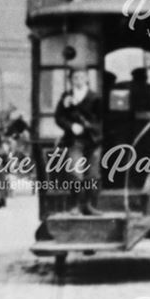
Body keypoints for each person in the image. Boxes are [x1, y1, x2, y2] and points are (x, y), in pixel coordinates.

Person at [54, 67, 103, 215]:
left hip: (93, 142)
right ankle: (75, 205)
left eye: (82, 77)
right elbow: (59, 117)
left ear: (87, 79)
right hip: (74, 141)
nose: (79, 80)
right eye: (75, 78)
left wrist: (90, 127)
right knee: (75, 173)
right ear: (71, 80)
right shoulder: (66, 96)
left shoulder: (95, 97)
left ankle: (88, 205)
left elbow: (101, 120)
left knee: (93, 175)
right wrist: (71, 126)